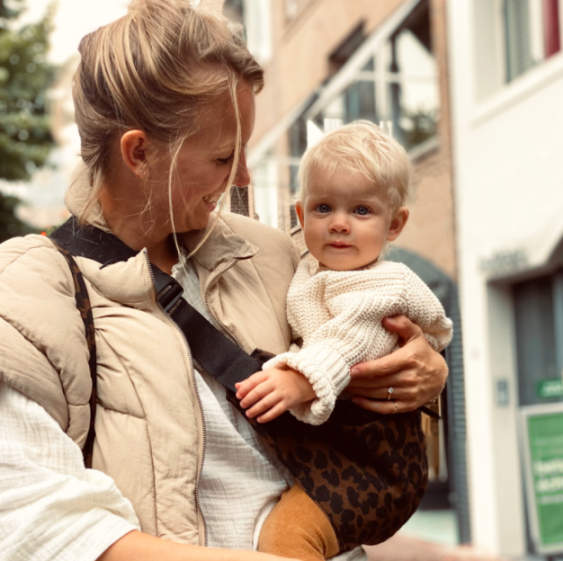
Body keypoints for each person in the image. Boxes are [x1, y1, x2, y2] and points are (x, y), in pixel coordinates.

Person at [0, 2, 449, 560]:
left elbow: (368, 333)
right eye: (222, 156)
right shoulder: (24, 296)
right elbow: (40, 525)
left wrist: (422, 369)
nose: (242, 176)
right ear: (139, 152)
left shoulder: (268, 250)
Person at [235, 121, 453, 561]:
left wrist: (299, 379)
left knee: (287, 538)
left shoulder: (384, 285)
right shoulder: (309, 274)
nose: (338, 224)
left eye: (361, 211)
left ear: (395, 225)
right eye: (322, 208)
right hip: (340, 455)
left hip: (378, 464)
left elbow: (349, 339)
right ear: (299, 216)